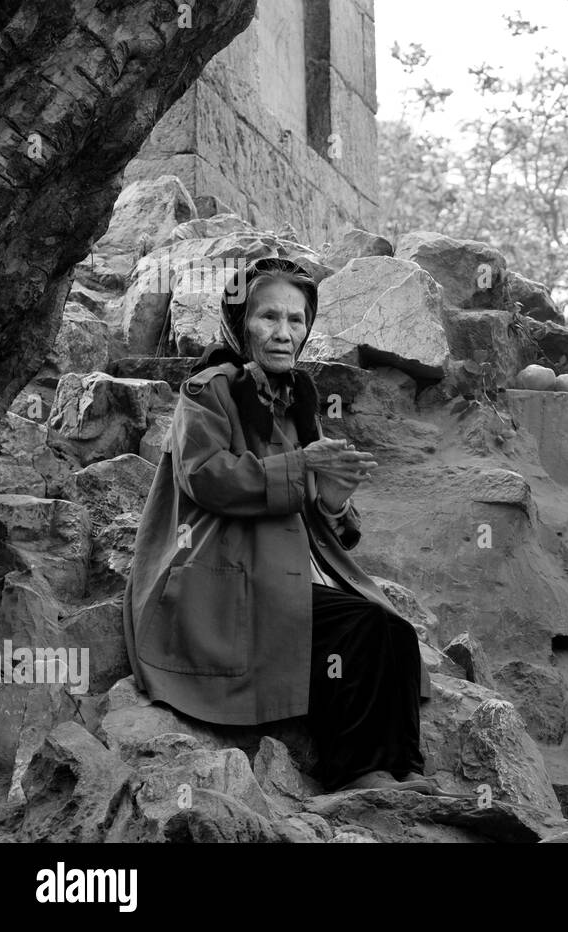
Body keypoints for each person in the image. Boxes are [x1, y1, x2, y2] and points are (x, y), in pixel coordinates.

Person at [122, 255, 437, 792]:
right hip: (220, 571)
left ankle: (401, 768)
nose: (284, 333)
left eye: (296, 321)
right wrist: (303, 468)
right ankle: (358, 772)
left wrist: (333, 500)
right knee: (361, 629)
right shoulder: (208, 390)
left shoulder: (297, 402)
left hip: (285, 571)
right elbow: (208, 476)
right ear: (240, 322)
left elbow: (312, 512)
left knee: (395, 631)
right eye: (269, 317)